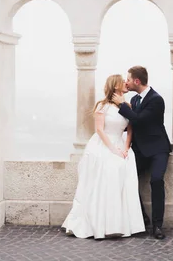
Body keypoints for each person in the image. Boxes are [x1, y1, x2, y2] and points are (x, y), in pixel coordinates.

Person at [62, 74, 145, 239]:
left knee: (124, 181)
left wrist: (126, 148)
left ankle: (120, 224)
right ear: (115, 86)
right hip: (104, 145)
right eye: (122, 81)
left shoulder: (127, 105)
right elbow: (99, 130)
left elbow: (130, 130)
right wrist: (114, 149)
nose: (126, 83)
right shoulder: (102, 106)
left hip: (121, 145)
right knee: (105, 180)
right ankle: (99, 223)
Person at [112, 66, 171, 240]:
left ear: (137, 81)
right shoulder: (135, 100)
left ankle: (157, 225)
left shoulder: (156, 99)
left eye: (128, 79)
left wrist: (121, 104)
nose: (126, 82)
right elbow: (129, 124)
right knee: (126, 176)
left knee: (156, 180)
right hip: (140, 149)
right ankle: (143, 217)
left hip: (158, 149)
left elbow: (138, 120)